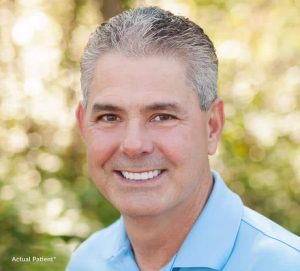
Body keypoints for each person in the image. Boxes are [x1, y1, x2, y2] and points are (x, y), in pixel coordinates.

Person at [67, 6, 300, 271]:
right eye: (110, 117)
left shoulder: (285, 263)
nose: (133, 145)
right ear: (83, 125)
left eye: (162, 116)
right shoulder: (87, 261)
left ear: (212, 126)